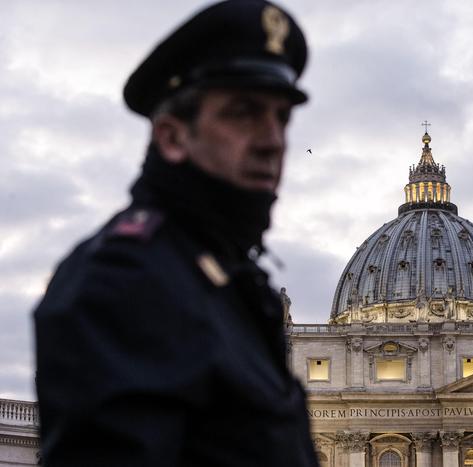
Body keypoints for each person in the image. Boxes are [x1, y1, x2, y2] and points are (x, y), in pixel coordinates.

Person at [32, 1, 318, 465]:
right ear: (171, 136)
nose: (272, 141)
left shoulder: (231, 280)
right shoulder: (122, 279)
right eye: (243, 112)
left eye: (281, 117)